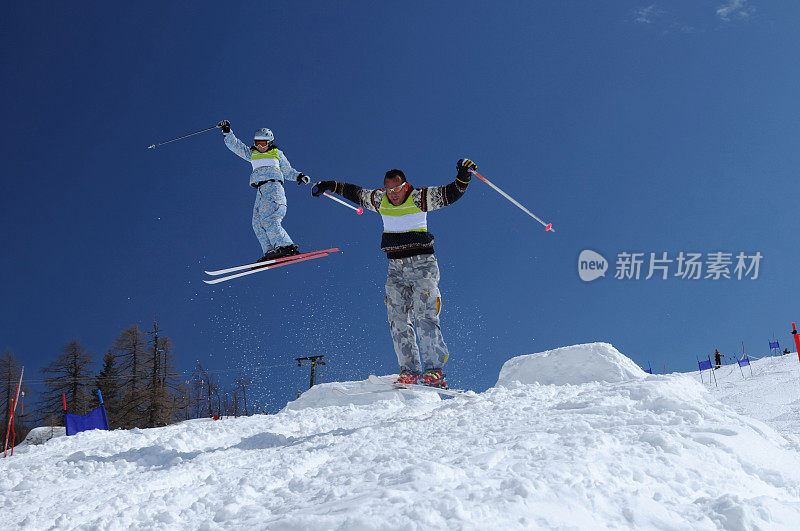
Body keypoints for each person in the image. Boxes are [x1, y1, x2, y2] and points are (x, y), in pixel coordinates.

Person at [312, 158, 476, 388]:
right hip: (395, 268)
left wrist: (463, 176)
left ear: (405, 185)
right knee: (397, 319)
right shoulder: (380, 199)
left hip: (422, 265)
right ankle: (410, 371)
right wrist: (328, 184)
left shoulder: (419, 197)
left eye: (397, 189)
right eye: (389, 190)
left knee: (425, 315)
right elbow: (355, 192)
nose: (394, 194)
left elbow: (450, 194)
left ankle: (434, 371)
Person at [217, 120, 311, 262]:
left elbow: (287, 170)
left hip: (274, 188)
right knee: (257, 222)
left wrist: (299, 175)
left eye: (263, 143)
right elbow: (236, 146)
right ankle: (271, 251)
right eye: (257, 143)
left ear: (270, 143)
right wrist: (227, 132)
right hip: (260, 190)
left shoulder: (277, 153)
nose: (259, 146)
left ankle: (286, 246)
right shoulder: (252, 153)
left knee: (269, 219)